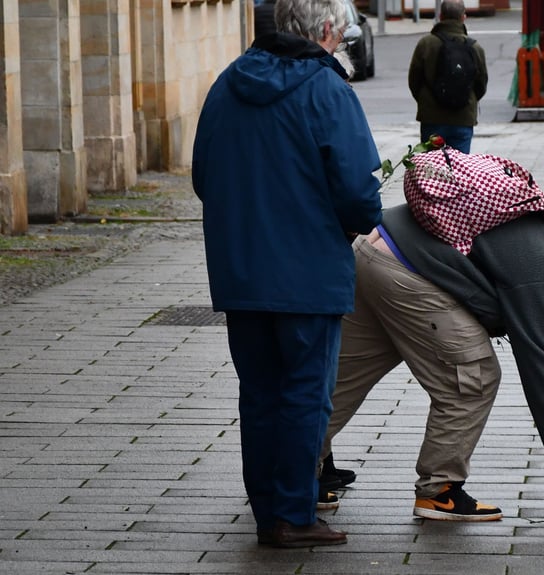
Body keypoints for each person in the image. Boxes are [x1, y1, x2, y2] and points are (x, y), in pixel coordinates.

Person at [191, 0, 383, 548]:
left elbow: (204, 176)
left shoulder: (227, 83)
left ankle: (267, 512)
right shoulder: (327, 90)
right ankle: (294, 515)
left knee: (259, 394)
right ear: (325, 29)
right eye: (341, 31)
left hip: (241, 272)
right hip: (309, 273)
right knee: (305, 393)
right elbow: (357, 195)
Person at [320, 205, 544, 521]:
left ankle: (296, 474)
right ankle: (439, 492)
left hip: (372, 247)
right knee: (474, 377)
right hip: (406, 271)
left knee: (340, 378)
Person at [408, 0, 488, 153]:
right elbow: (481, 84)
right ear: (463, 17)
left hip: (432, 117)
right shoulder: (475, 48)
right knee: (458, 169)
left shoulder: (426, 44)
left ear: (440, 16)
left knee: (432, 169)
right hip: (463, 118)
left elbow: (414, 81)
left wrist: (426, 101)